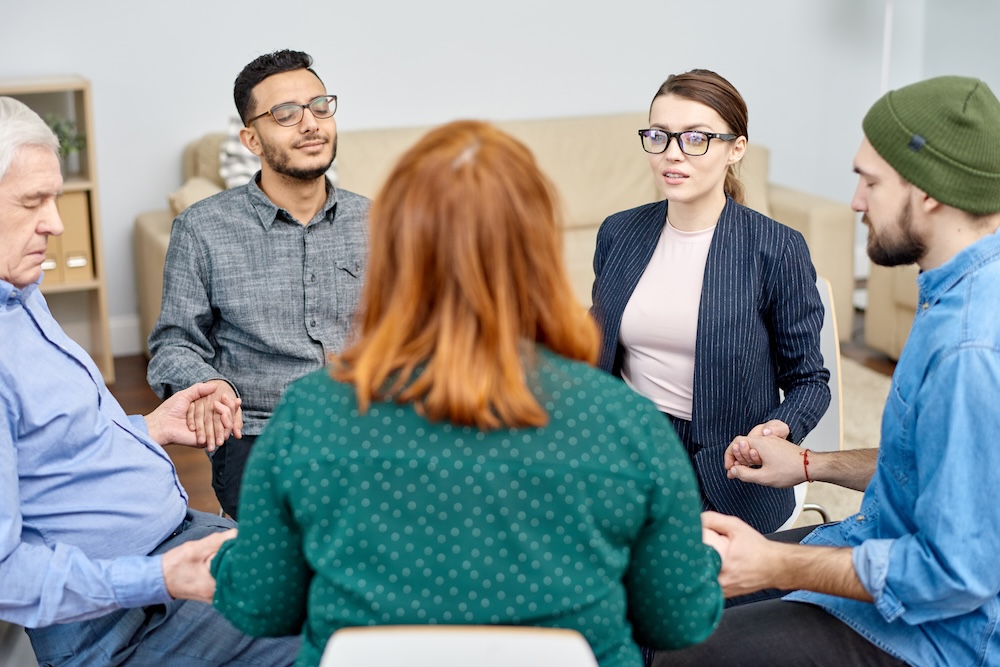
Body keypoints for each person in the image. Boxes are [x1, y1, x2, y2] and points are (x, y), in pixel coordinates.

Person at [207, 120, 724, 667]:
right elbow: (678, 620)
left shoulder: (309, 414)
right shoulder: (626, 422)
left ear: (392, 252)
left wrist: (224, 562)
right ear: (539, 254)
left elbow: (261, 606)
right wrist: (698, 559)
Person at [654, 75, 1000, 667]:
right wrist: (810, 464)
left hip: (938, 633)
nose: (856, 201)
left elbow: (957, 574)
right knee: (672, 594)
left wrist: (777, 562)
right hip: (875, 544)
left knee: (689, 650)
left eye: (870, 180)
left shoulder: (969, 347)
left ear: (930, 193)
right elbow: (932, 467)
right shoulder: (953, 291)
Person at [0, 97, 298, 665]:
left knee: (361, 571)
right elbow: (5, 575)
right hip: (126, 620)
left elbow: (53, 447)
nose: (56, 224)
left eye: (54, 198)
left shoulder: (19, 295)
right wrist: (158, 577)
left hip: (172, 547)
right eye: (31, 202)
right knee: (343, 624)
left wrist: (148, 428)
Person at [590, 69, 831, 534]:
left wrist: (778, 429)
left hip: (725, 469)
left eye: (695, 138)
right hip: (625, 450)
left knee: (678, 584)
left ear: (735, 148)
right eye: (659, 136)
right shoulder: (619, 232)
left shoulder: (775, 247)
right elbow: (594, 351)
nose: (672, 154)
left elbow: (809, 380)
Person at [147, 49, 370, 518]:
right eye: (286, 114)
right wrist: (208, 384)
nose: (310, 124)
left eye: (319, 106)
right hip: (262, 433)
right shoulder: (203, 228)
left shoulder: (381, 222)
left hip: (369, 425)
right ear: (251, 138)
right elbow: (174, 345)